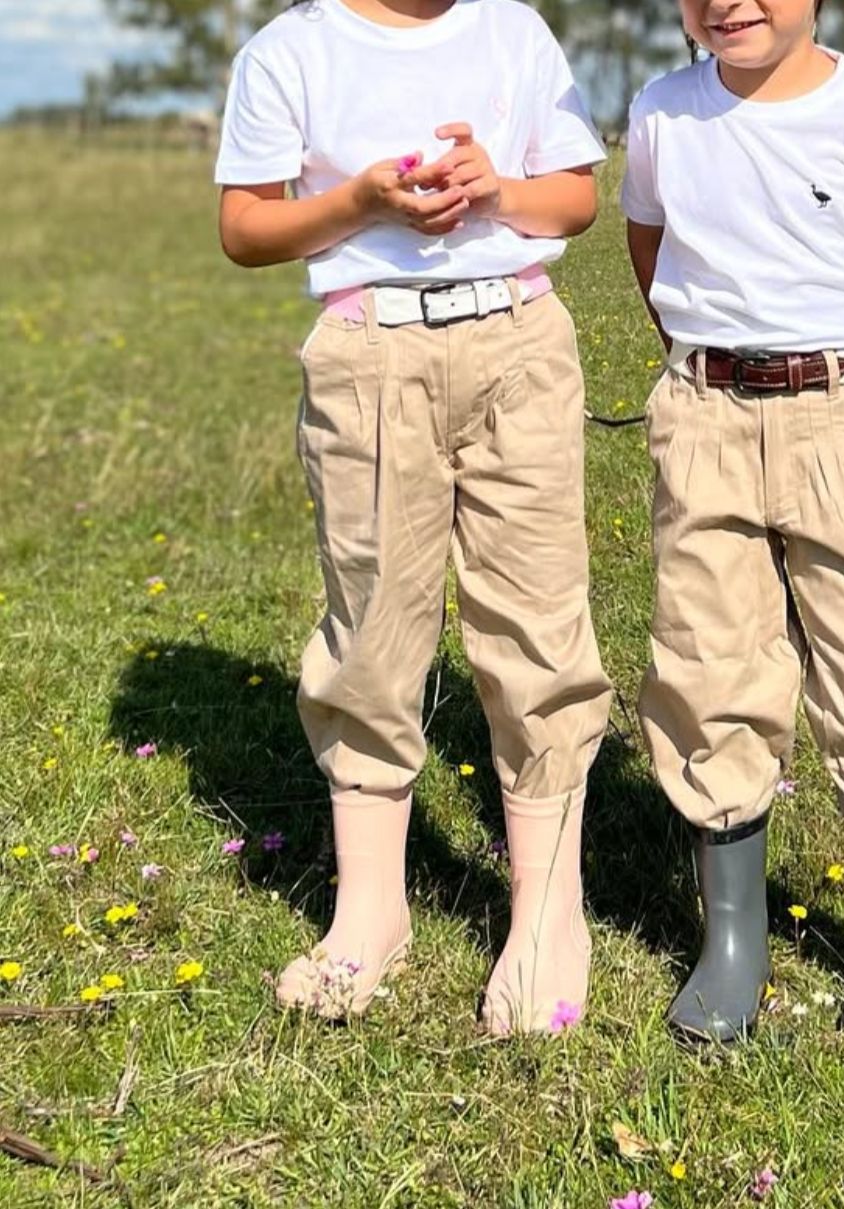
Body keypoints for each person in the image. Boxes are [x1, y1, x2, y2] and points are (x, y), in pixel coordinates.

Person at [214, 0, 612, 1034]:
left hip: (519, 341)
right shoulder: (290, 50)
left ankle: (546, 913)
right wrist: (360, 203)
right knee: (373, 626)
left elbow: (574, 200)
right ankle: (371, 911)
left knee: (537, 622)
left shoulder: (514, 31)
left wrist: (500, 189)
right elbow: (245, 228)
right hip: (370, 353)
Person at [622, 0, 844, 1042]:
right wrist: (718, 350)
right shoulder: (660, 115)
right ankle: (734, 942)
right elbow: (649, 240)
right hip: (705, 413)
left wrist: (831, 348)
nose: (731, 3)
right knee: (707, 652)